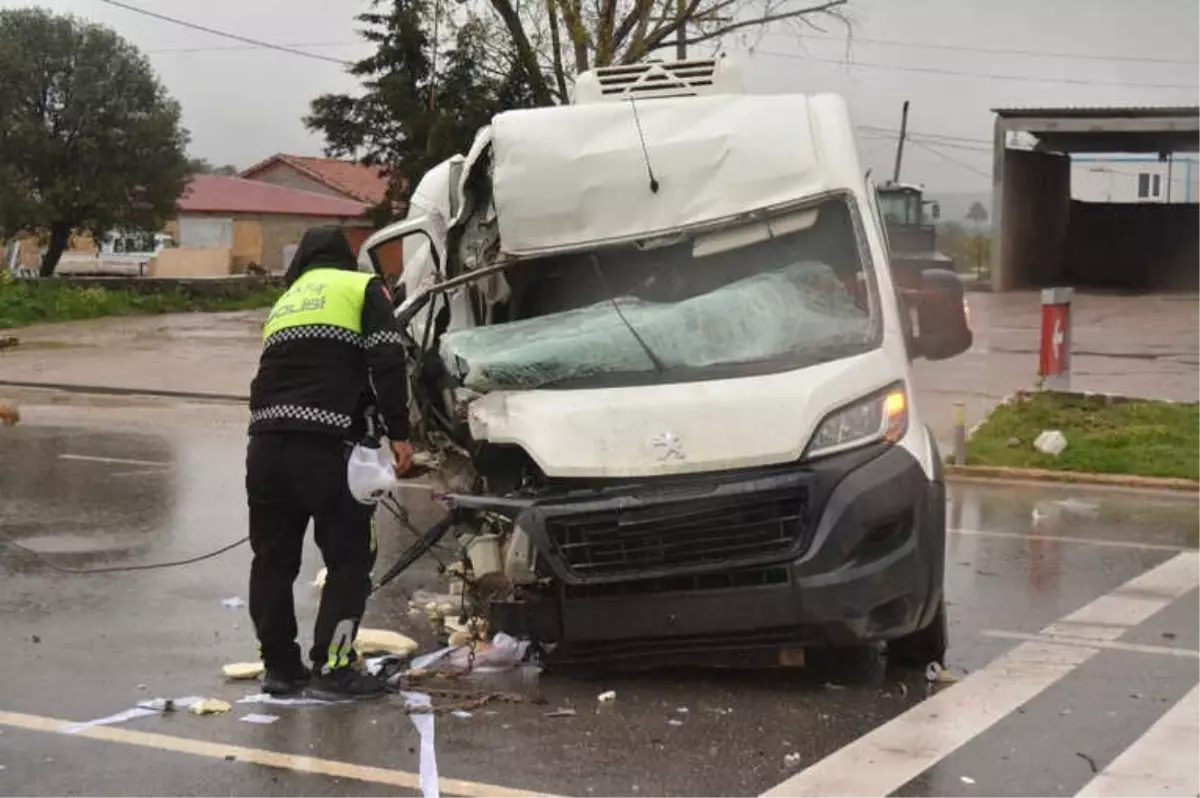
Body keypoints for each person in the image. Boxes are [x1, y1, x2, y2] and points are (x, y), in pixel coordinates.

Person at [246, 226, 413, 699]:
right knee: (350, 557)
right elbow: (389, 361)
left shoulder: (287, 301)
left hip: (264, 445)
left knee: (273, 560)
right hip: (328, 445)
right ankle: (334, 668)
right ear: (345, 256)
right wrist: (400, 434)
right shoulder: (361, 287)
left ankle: (280, 669)